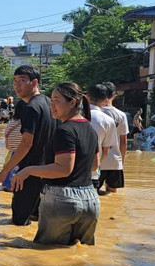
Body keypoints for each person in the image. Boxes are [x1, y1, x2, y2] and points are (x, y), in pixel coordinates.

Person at [11, 83, 100, 245]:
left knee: (46, 256)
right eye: (51, 100)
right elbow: (94, 166)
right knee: (78, 258)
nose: (51, 105)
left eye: (56, 101)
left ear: (72, 102)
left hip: (63, 200)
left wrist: (28, 170)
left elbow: (64, 169)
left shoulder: (64, 130)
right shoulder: (90, 129)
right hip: (91, 200)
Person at [0, 65, 54, 226]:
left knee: (18, 223)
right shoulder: (49, 103)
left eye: (22, 80)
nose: (17, 85)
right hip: (48, 172)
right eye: (15, 80)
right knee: (38, 222)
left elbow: (26, 144)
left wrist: (5, 171)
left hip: (27, 174)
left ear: (34, 82)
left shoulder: (31, 108)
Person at [88, 84, 119, 196]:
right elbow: (106, 151)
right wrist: (96, 166)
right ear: (105, 100)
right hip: (93, 173)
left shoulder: (75, 115)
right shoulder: (108, 121)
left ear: (87, 97)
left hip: (72, 172)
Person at [99, 82, 128, 194]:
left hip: (97, 160)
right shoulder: (121, 115)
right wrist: (122, 162)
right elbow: (123, 142)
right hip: (114, 160)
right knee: (111, 194)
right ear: (114, 96)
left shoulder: (93, 113)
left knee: (93, 193)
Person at [1, 98, 23, 191]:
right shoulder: (27, 124)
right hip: (23, 156)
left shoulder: (10, 124)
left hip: (10, 155)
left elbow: (7, 146)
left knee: (7, 186)